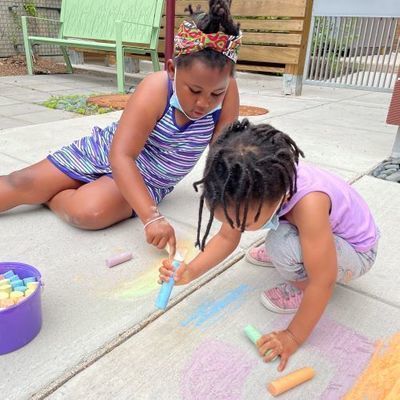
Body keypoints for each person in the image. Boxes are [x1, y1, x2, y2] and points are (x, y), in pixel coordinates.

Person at [0, 0, 242, 255]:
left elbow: (222, 152)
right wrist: (151, 218)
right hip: (105, 153)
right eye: (194, 90)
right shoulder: (157, 88)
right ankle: (47, 188)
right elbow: (121, 155)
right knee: (21, 182)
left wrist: (235, 194)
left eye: (216, 93)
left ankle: (50, 196)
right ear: (172, 70)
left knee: (90, 212)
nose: (204, 103)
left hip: (149, 180)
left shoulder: (228, 93)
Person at [159, 119, 379, 371]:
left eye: (243, 223)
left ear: (282, 197)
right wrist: (191, 271)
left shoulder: (310, 205)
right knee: (283, 241)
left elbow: (323, 280)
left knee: (280, 245)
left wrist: (293, 336)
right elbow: (226, 238)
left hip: (358, 251)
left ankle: (299, 278)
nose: (236, 227)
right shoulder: (257, 182)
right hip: (322, 233)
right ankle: (298, 252)